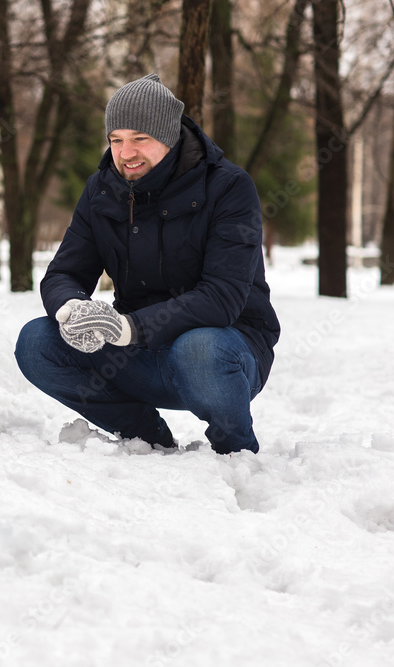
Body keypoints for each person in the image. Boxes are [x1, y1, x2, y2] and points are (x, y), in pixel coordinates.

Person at [14, 74, 280, 455]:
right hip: (135, 352)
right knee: (37, 341)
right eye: (116, 140)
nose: (126, 153)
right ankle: (145, 435)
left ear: (169, 138)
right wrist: (70, 309)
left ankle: (235, 451)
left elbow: (223, 297)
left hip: (225, 351)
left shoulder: (229, 187)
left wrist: (130, 327)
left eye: (140, 138)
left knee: (198, 349)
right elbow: (65, 273)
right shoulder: (101, 190)